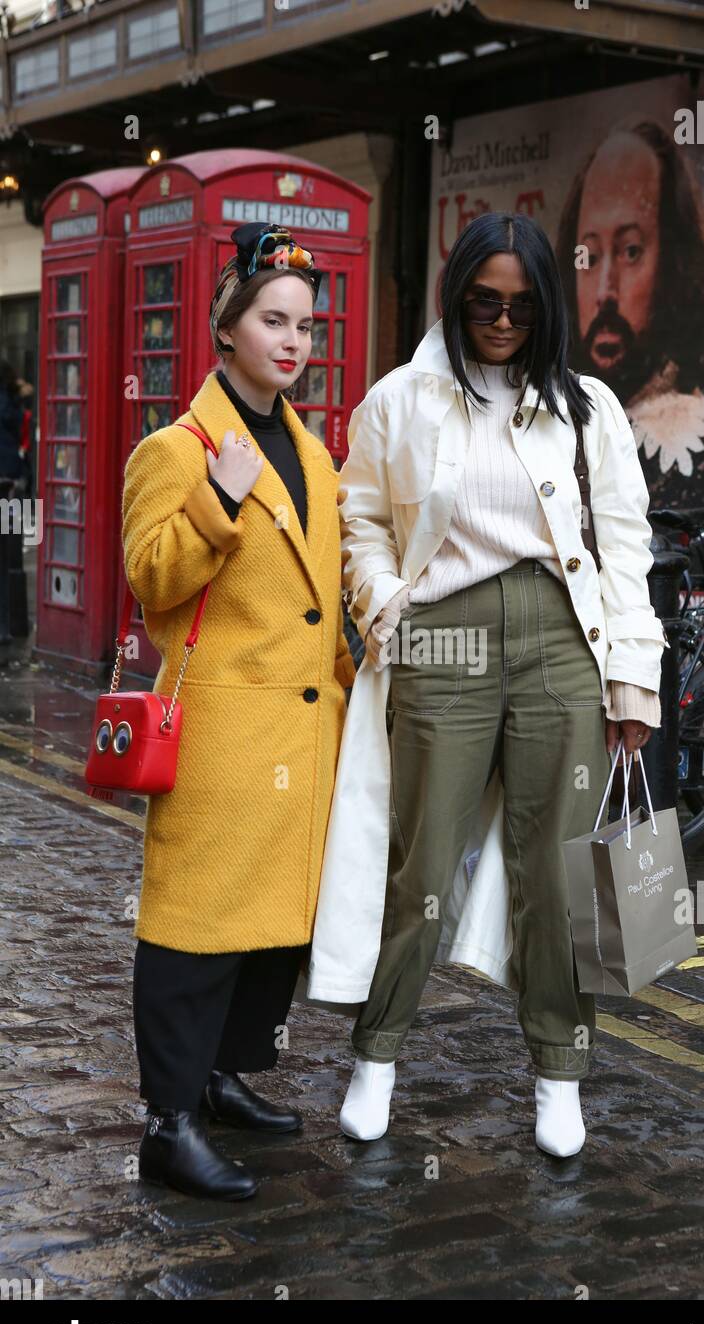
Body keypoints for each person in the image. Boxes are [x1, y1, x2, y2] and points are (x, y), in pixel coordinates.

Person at [307, 212, 667, 1158]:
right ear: (457, 294)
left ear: (546, 303)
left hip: (561, 641)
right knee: (421, 863)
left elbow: (625, 547)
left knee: (559, 874)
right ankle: (376, 1056)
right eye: (483, 301)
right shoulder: (398, 401)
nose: (502, 320)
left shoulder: (590, 407)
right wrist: (388, 608)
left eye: (521, 303)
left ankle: (559, 1074)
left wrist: (633, 678)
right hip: (444, 640)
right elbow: (362, 520)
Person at [121, 224, 356, 1200]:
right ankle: (168, 1125)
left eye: (305, 324)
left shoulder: (313, 453)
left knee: (270, 931)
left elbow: (324, 592)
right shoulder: (175, 448)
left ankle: (219, 1081)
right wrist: (215, 508)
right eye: (273, 320)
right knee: (193, 932)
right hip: (219, 735)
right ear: (226, 328)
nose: (294, 341)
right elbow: (147, 580)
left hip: (302, 736)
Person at [555, 118, 704, 512]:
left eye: (631, 252)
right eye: (588, 256)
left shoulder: (698, 450)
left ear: (675, 263)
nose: (605, 292)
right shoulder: (556, 411)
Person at [0, 361, 24, 645]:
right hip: (9, 478)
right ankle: (6, 625)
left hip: (8, 478)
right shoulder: (10, 402)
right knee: (8, 548)